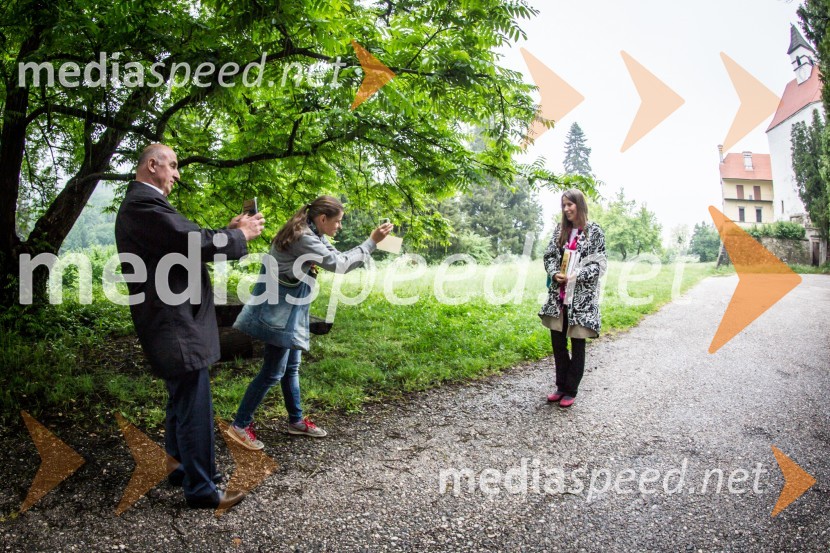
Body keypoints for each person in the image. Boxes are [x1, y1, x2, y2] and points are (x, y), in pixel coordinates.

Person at [115, 143, 265, 509]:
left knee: (181, 397)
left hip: (172, 321)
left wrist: (227, 231)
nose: (177, 174)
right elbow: (190, 241)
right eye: (173, 165)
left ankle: (180, 468)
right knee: (195, 404)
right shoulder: (143, 205)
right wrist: (239, 235)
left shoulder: (146, 206)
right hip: (174, 322)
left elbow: (183, 242)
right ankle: (203, 488)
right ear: (153, 165)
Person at [227, 195, 392, 450]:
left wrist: (374, 243)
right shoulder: (304, 237)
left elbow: (337, 256)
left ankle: (295, 421)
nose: (340, 226)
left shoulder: (312, 233)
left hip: (290, 311)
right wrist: (372, 242)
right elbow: (340, 265)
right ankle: (239, 425)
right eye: (338, 221)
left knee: (291, 367)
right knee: (272, 372)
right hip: (280, 314)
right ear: (323, 218)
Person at [538, 189, 607, 408]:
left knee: (577, 344)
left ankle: (571, 389)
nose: (567, 209)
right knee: (558, 343)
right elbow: (549, 256)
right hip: (558, 298)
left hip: (581, 300)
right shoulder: (560, 230)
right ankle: (560, 387)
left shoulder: (594, 231)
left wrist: (577, 275)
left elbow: (599, 265)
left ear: (579, 204)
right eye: (564, 205)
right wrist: (554, 273)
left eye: (570, 204)